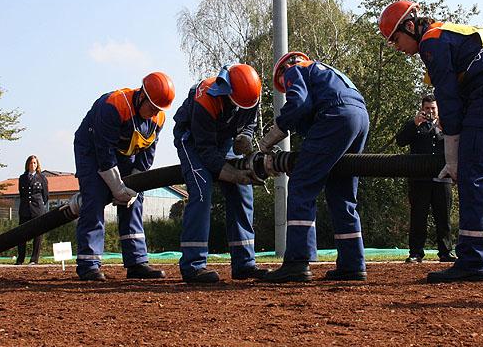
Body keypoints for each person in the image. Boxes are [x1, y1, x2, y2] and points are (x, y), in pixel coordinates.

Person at [379, 0, 483, 282]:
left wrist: (452, 158)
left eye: (395, 39)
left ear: (410, 26)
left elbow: (448, 100)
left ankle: (474, 261)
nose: (396, 48)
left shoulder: (431, 41)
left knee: (474, 172)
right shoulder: (448, 33)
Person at [259, 51, 370, 283]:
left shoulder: (294, 69)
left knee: (301, 186)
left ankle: (297, 262)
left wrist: (274, 133)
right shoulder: (327, 72)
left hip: (335, 116)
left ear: (283, 71)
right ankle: (352, 264)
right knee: (342, 194)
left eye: (283, 86)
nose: (285, 88)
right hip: (359, 118)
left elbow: (299, 104)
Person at [73, 72, 175, 282]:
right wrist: (117, 188)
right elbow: (104, 154)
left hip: (126, 154)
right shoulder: (113, 106)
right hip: (92, 150)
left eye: (158, 109)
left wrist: (135, 185)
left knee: (134, 200)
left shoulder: (158, 118)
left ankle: (137, 262)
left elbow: (147, 153)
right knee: (94, 199)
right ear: (142, 96)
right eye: (152, 107)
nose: (154, 113)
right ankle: (89, 264)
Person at [173, 63, 268, 283]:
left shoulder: (251, 94)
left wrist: (245, 136)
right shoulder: (205, 99)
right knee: (201, 190)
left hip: (224, 139)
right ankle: (193, 266)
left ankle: (244, 264)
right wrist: (233, 174)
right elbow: (206, 151)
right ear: (227, 92)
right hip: (192, 140)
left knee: (243, 191)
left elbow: (249, 122)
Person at [395, 94, 455, 264]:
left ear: (438, 109)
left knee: (443, 217)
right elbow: (400, 141)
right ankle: (416, 252)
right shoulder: (415, 125)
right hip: (419, 179)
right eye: (427, 108)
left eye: (433, 108)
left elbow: (456, 143)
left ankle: (445, 252)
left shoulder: (447, 125)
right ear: (422, 109)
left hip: (443, 178)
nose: (430, 111)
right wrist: (415, 123)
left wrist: (444, 128)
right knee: (418, 217)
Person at [16, 155, 49, 264]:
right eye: (31, 163)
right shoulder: (22, 178)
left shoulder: (42, 178)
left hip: (37, 210)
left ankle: (34, 259)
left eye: (34, 163)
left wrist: (39, 206)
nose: (33, 165)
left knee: (38, 235)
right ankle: (20, 258)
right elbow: (22, 194)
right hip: (25, 210)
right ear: (27, 164)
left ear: (37, 164)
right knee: (21, 234)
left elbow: (45, 196)